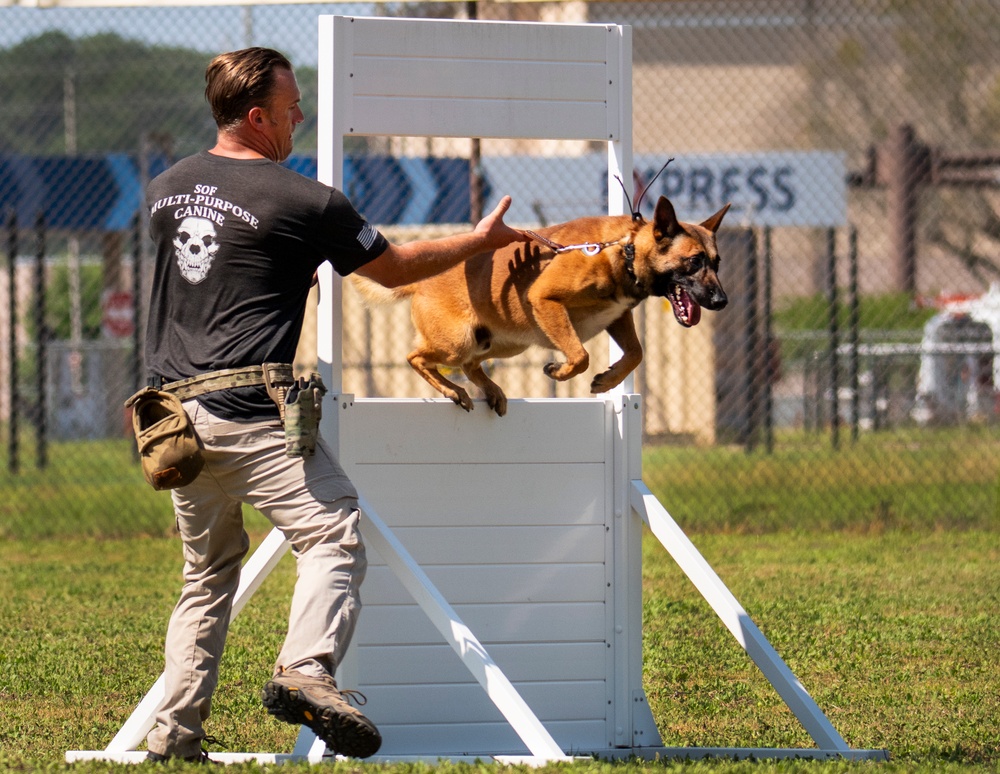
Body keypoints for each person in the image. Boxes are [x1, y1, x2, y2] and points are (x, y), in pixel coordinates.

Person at [141, 47, 528, 763]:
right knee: (332, 534)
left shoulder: (166, 187)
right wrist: (480, 240)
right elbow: (394, 271)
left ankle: (172, 735)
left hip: (172, 424)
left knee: (206, 573)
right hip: (250, 415)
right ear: (257, 117)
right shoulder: (305, 200)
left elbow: (210, 280)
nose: (301, 117)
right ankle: (306, 669)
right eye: (291, 109)